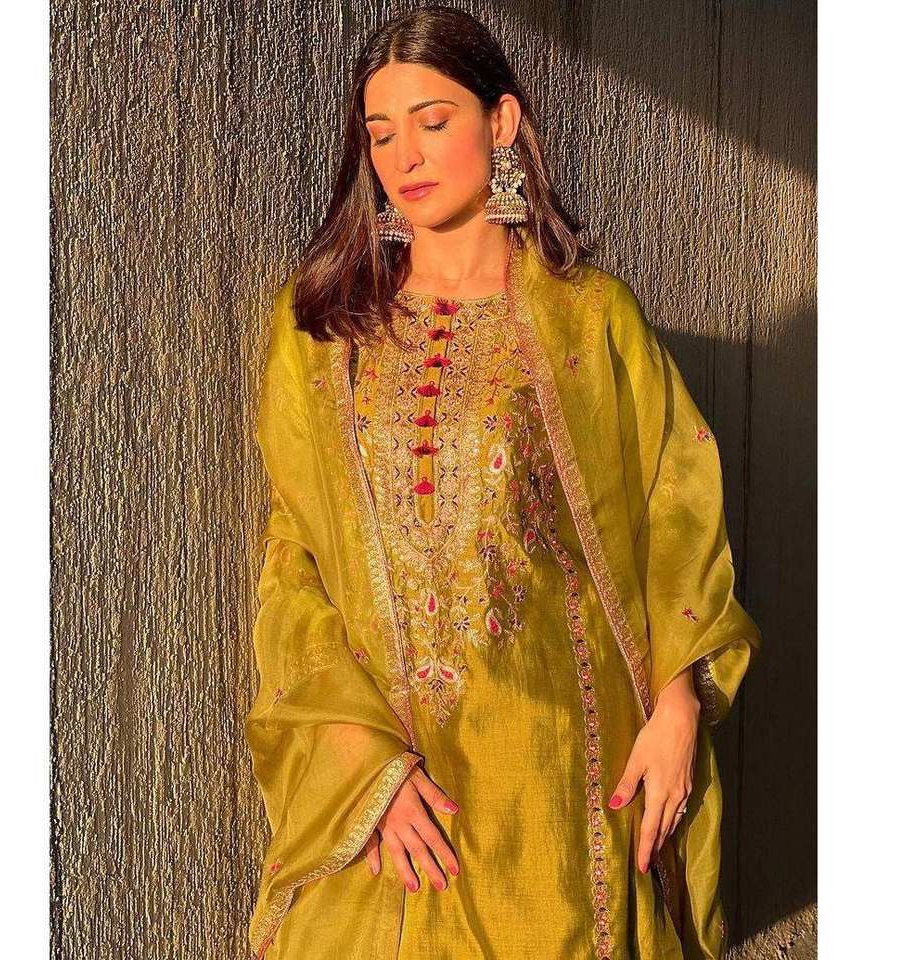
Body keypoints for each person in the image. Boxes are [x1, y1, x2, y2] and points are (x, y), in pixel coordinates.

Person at [243, 6, 761, 959]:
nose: (405, 156)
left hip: (563, 780)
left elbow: (673, 507)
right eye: (381, 133)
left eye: (433, 120)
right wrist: (358, 763)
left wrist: (679, 705)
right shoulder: (321, 332)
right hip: (395, 789)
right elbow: (295, 561)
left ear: (503, 121)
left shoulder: (588, 318)